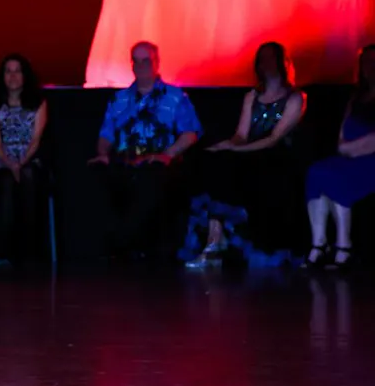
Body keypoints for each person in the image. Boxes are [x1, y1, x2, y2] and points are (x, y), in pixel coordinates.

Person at [181, 42, 305, 270]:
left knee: (239, 164)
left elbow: (274, 138)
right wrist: (225, 146)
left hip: (277, 157)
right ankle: (215, 239)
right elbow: (241, 134)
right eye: (262, 59)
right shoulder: (252, 97)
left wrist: (236, 149)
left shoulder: (295, 98)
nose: (266, 64)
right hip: (250, 152)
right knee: (212, 160)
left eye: (271, 58)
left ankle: (223, 240)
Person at [89, 42, 201, 260]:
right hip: (125, 162)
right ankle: (125, 244)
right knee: (100, 174)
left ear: (157, 63)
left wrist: (167, 154)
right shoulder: (118, 99)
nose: (141, 65)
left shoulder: (176, 97)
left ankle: (124, 243)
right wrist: (103, 152)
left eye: (146, 60)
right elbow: (106, 135)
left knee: (152, 179)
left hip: (159, 164)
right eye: (136, 60)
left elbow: (190, 133)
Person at [304, 44, 375, 270]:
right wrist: (344, 147)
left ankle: (344, 246)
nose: (369, 67)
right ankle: (319, 244)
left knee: (336, 177)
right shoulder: (356, 97)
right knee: (317, 172)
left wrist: (354, 149)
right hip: (349, 154)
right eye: (365, 62)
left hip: (370, 158)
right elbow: (343, 130)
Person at [0, 55, 49, 266]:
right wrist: (10, 163)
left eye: (17, 70)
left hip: (30, 158)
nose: (12, 76)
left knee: (28, 177)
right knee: (6, 182)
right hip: (3, 159)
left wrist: (21, 162)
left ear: (25, 75)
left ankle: (29, 252)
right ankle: (1, 252)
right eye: (8, 71)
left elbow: (36, 139)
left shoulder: (39, 103)